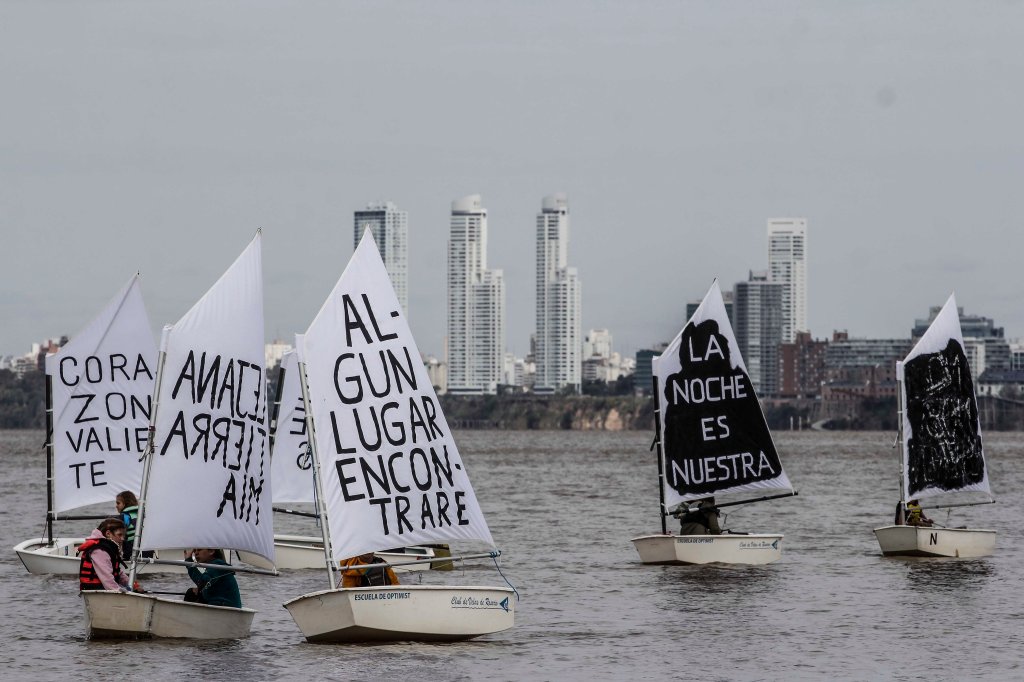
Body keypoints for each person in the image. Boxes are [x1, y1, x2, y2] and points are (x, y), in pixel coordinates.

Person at [78, 518, 131, 592]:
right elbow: (106, 578)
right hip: (95, 592)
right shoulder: (99, 551)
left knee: (129, 589)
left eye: (123, 535)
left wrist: (133, 585)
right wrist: (119, 591)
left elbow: (118, 572)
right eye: (119, 535)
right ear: (108, 534)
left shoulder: (109, 548)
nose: (122, 538)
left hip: (104, 590)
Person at [115, 491, 140, 558]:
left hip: (131, 551)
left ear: (125, 503)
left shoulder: (123, 517)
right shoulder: (142, 513)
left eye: (118, 503)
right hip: (146, 551)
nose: (116, 506)